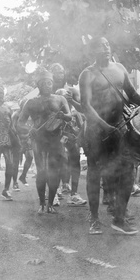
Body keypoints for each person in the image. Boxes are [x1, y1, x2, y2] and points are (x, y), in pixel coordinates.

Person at [79, 36, 140, 235]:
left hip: (119, 127)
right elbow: (86, 105)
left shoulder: (120, 69)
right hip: (95, 130)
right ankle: (94, 218)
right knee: (94, 172)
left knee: (127, 169)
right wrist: (104, 126)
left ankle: (119, 217)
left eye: (107, 44)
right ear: (93, 51)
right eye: (100, 46)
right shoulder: (87, 74)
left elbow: (132, 95)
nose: (105, 48)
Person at [18, 68, 73, 215]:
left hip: (56, 140)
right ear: (38, 85)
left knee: (54, 172)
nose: (47, 85)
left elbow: (70, 116)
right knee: (42, 172)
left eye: (49, 82)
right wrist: (29, 130)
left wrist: (63, 116)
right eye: (44, 83)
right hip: (39, 140)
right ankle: (42, 203)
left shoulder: (60, 99)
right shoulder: (31, 102)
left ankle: (50, 203)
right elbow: (20, 123)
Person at [50, 64, 86, 206]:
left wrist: (80, 136)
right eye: (56, 72)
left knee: (75, 162)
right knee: (58, 162)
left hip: (72, 136)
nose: (59, 74)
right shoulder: (49, 94)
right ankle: (55, 192)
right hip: (56, 135)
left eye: (61, 72)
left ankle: (74, 194)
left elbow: (82, 113)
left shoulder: (72, 92)